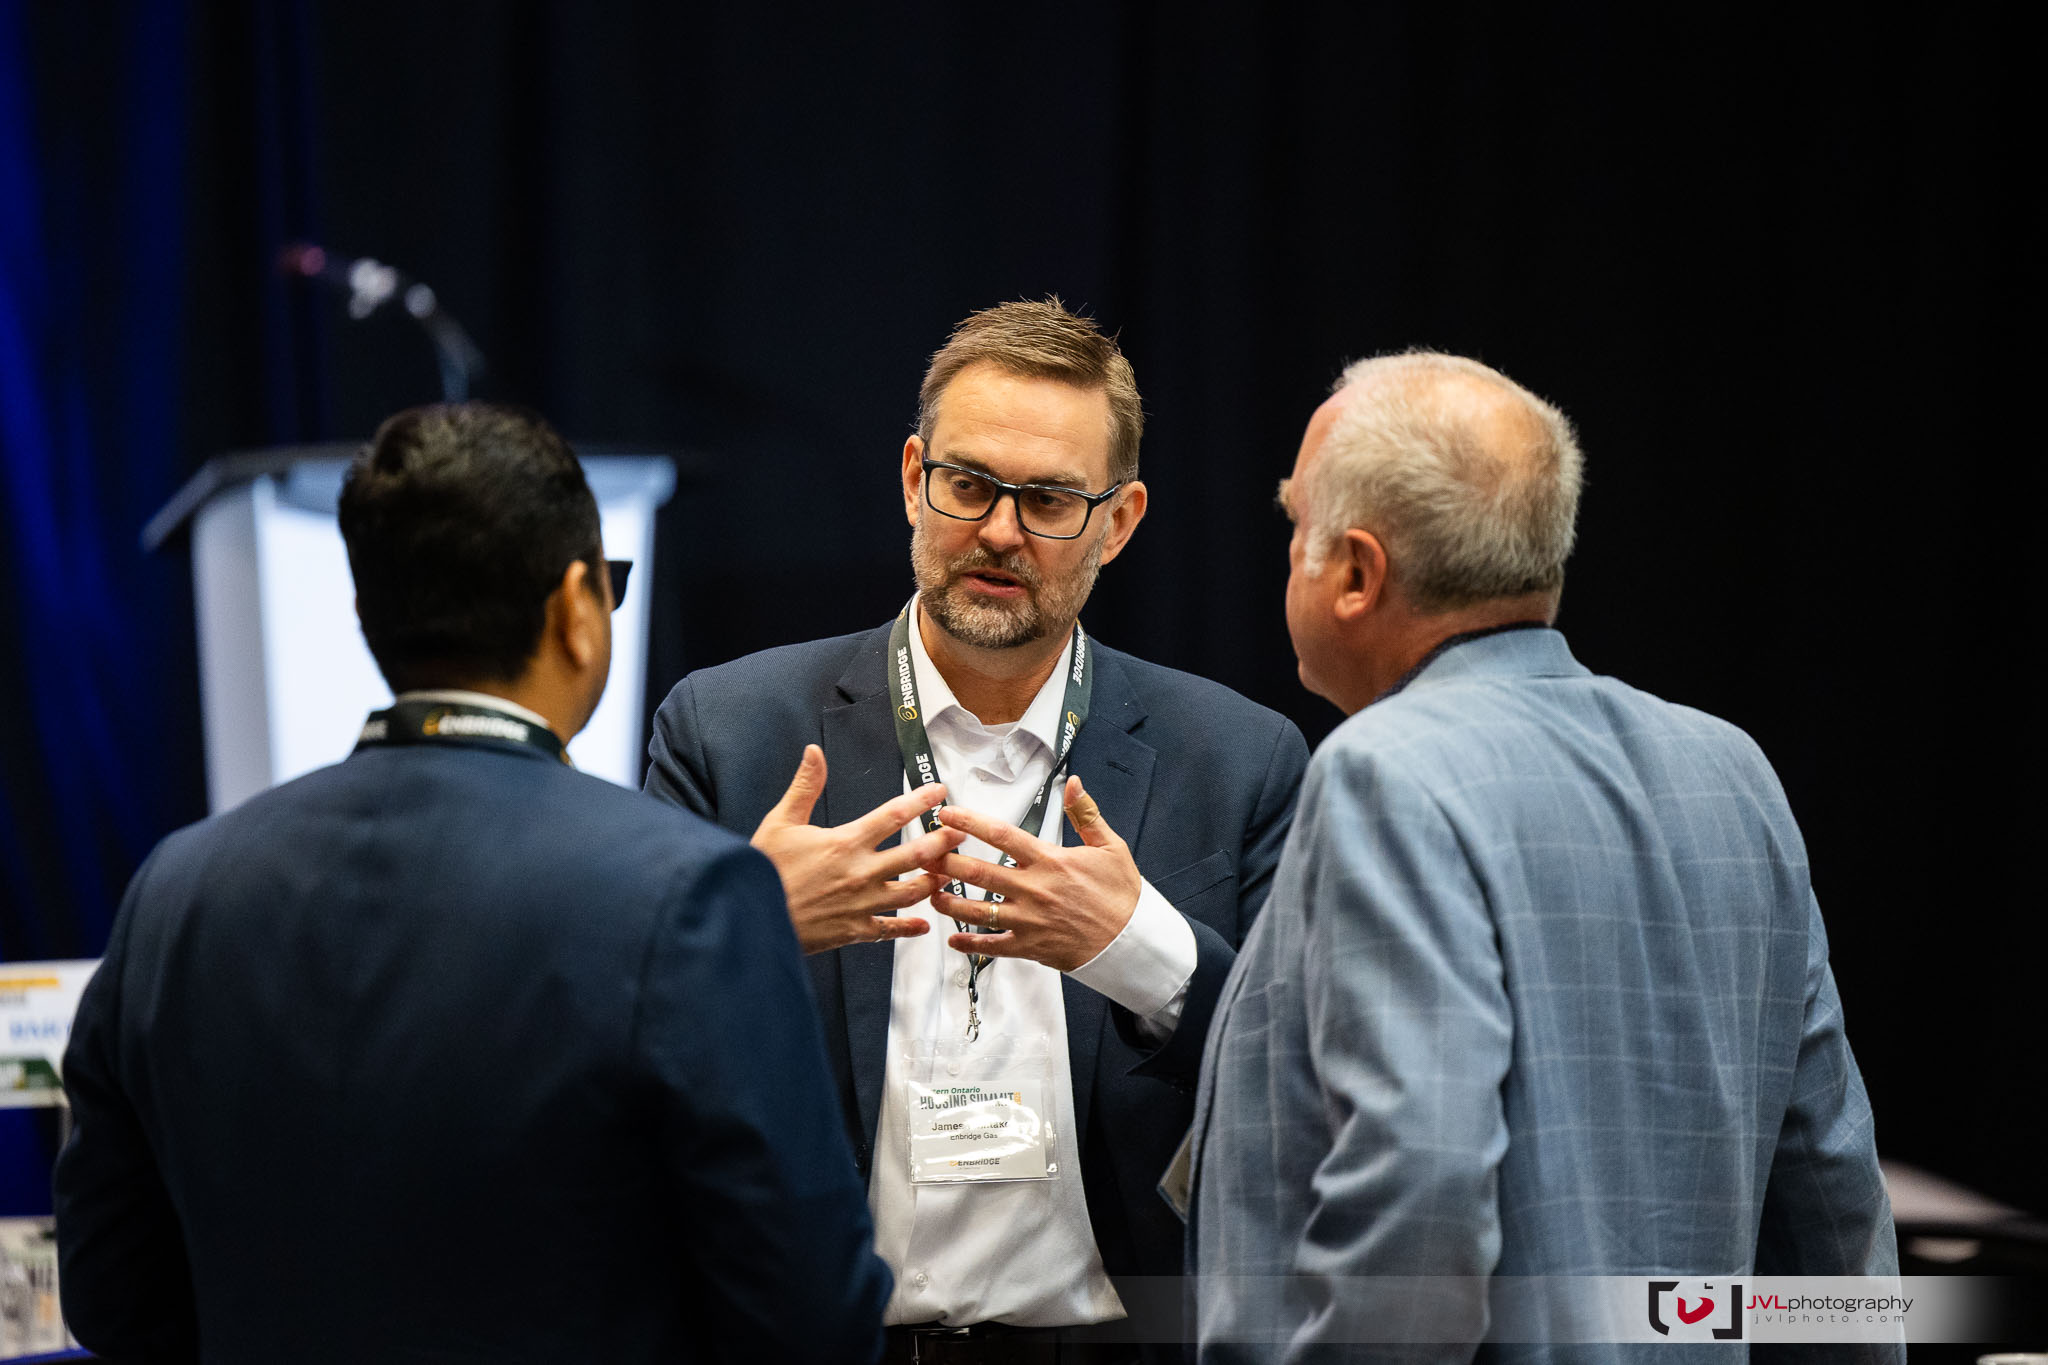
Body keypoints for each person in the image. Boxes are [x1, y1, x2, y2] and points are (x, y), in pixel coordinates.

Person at [54, 403, 891, 1364]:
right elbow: (813, 1316)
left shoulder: (174, 892)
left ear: (367, 615)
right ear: (577, 608)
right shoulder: (690, 896)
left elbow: (110, 1294)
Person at [1190, 353, 1899, 1362]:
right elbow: (1832, 1193)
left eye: (1295, 523)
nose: (1288, 552)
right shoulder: (1731, 771)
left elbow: (1422, 1193)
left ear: (1354, 573)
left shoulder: (1384, 772)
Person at [644, 299, 1308, 1361]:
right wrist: (749, 929)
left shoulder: (1237, 760)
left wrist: (1141, 951)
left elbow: (1306, 1080)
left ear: (1119, 522)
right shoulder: (728, 732)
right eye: (968, 485)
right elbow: (626, 1081)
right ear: (915, 478)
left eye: (1048, 500)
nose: (1000, 531)